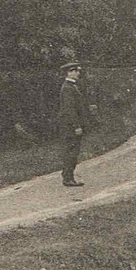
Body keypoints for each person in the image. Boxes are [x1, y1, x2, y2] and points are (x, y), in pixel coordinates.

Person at [58, 55, 93, 187]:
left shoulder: (72, 86)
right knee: (71, 151)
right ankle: (68, 178)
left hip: (70, 125)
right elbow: (69, 109)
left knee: (72, 150)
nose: (78, 73)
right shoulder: (67, 88)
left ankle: (68, 176)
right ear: (69, 72)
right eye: (76, 71)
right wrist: (76, 126)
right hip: (70, 126)